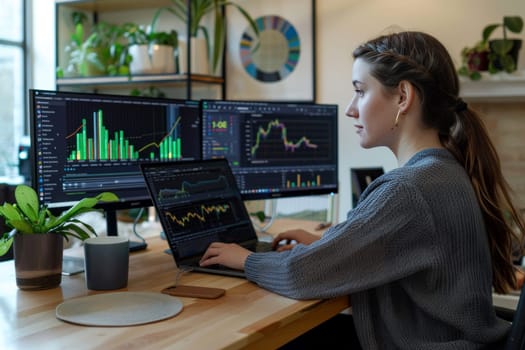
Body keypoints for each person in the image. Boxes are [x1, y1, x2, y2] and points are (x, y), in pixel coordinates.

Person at [200, 31, 525, 349]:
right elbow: (395, 248)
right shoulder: (445, 171)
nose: (350, 109)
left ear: (403, 97)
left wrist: (244, 259)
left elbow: (301, 274)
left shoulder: (409, 189)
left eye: (360, 91)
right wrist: (327, 243)